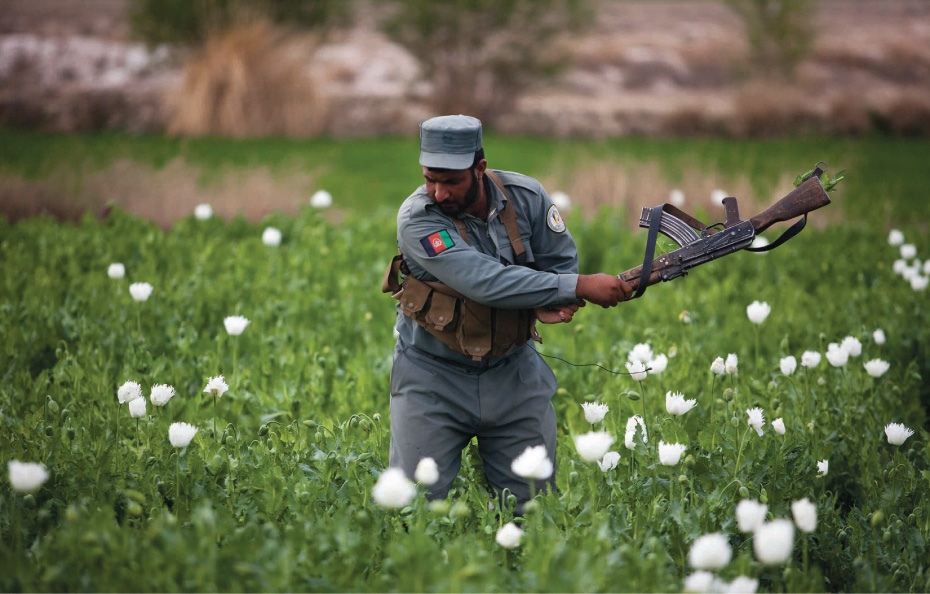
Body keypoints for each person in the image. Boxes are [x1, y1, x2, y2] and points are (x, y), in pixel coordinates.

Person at [382, 115, 631, 507]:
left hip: (514, 373)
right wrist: (579, 286)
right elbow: (484, 281)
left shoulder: (527, 197)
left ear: (480, 168)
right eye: (430, 178)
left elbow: (560, 263)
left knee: (532, 511)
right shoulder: (418, 219)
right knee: (413, 510)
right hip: (431, 378)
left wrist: (546, 301)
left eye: (451, 181)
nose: (438, 192)